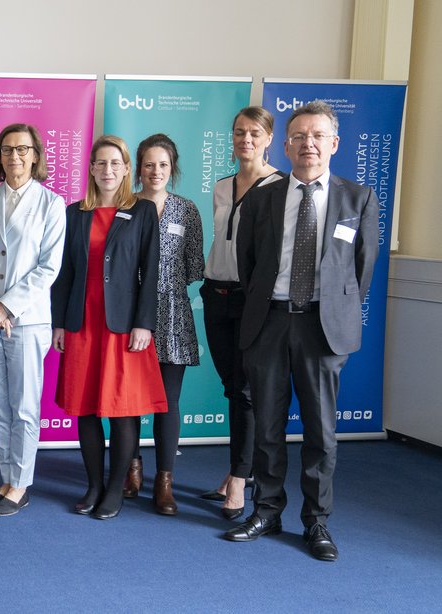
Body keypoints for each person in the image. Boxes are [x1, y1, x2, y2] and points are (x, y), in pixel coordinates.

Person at [227, 101, 378, 562]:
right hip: (269, 320)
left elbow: (361, 269)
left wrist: (329, 307)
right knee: (268, 426)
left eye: (317, 136)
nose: (308, 144)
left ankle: (317, 521)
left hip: (322, 327)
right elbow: (247, 262)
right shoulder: (262, 197)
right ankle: (267, 510)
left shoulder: (358, 199)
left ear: (334, 143)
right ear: (286, 144)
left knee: (321, 431)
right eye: (299, 137)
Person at [52, 135, 167, 521]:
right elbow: (64, 275)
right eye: (100, 163)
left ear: (126, 169)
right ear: (91, 168)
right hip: (82, 323)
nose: (107, 170)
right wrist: (59, 324)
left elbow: (152, 273)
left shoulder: (143, 210)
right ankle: (94, 486)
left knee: (122, 411)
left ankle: (116, 488)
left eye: (115, 163)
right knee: (85, 410)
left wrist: (144, 323)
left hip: (123, 327)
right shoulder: (74, 213)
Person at [0, 124, 65, 516]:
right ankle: (7, 479)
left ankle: (21, 484)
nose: (15, 157)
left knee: (24, 406)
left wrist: (7, 306)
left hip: (26, 320)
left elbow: (48, 267)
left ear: (36, 155)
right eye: (7, 150)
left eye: (23, 149)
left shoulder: (51, 204)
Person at [201, 106, 285, 519]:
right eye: (238, 132)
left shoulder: (281, 187)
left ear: (269, 138)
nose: (245, 140)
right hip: (216, 295)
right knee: (231, 387)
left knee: (246, 391)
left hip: (254, 301)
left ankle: (238, 480)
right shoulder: (220, 187)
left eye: (254, 133)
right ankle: (240, 468)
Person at [125, 134, 203, 515]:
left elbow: (194, 267)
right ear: (138, 168)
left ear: (173, 169)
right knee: (128, 399)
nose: (156, 172)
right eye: (149, 164)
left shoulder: (187, 211)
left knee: (167, 402)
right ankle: (132, 469)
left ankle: (165, 482)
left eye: (163, 165)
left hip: (172, 315)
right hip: (127, 315)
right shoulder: (124, 207)